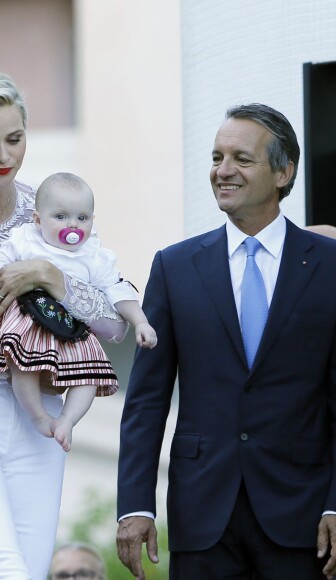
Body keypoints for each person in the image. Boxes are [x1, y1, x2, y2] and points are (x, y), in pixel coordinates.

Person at [116, 103, 336, 579]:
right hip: (202, 512)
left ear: (283, 171)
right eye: (216, 157)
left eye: (241, 158)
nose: (223, 171)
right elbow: (147, 399)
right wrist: (136, 505)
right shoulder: (174, 268)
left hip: (303, 514)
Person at [0, 73, 128, 579]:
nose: (5, 154)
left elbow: (115, 324)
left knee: (29, 567)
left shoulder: (50, 208)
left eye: (14, 137)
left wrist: (53, 278)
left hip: (41, 409)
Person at [0, 171, 157, 452]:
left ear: (91, 221)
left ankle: (67, 421)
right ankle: (38, 416)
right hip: (30, 323)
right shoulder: (27, 239)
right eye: (60, 217)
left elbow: (116, 289)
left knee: (88, 377)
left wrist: (141, 322)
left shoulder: (93, 255)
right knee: (20, 366)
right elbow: (5, 263)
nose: (72, 225)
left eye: (81, 218)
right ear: (38, 220)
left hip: (70, 330)